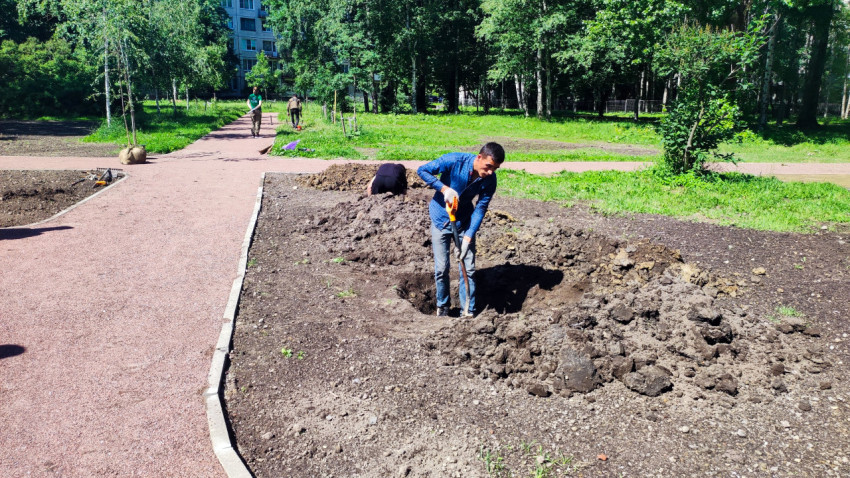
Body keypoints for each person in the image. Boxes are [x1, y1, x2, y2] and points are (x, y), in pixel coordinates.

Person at [417, 142, 505, 317]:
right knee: (442, 268)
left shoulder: (490, 180)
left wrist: (468, 238)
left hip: (464, 222)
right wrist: (444, 189)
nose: (490, 172)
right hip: (441, 218)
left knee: (468, 268)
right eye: (488, 166)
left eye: (495, 169)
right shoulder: (454, 160)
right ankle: (442, 307)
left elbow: (481, 207)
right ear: (479, 157)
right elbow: (422, 170)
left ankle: (467, 311)